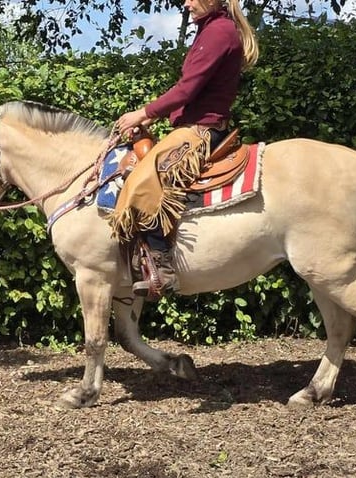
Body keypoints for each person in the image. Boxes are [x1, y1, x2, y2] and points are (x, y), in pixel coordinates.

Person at [111, 0, 259, 298]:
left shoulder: (218, 32)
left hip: (201, 131)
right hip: (192, 128)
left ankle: (161, 268)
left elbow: (186, 89)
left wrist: (144, 113)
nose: (186, 3)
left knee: (145, 179)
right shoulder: (212, 29)